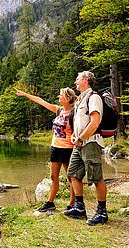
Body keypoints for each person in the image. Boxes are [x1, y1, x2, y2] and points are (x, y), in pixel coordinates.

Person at [15, 86, 77, 212]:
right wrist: (26, 94)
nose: (58, 97)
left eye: (61, 95)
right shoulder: (58, 110)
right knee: (53, 177)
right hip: (55, 148)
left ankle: (72, 204)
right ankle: (50, 203)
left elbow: (78, 131)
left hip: (68, 149)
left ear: (68, 98)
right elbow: (41, 101)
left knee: (71, 178)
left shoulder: (75, 113)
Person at [63, 71, 108, 225]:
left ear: (86, 80)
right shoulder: (80, 100)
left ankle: (102, 212)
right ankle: (79, 207)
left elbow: (95, 122)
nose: (75, 81)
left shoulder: (93, 97)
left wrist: (81, 138)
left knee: (96, 177)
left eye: (78, 79)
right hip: (79, 143)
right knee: (73, 173)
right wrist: (74, 137)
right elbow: (78, 123)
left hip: (91, 143)